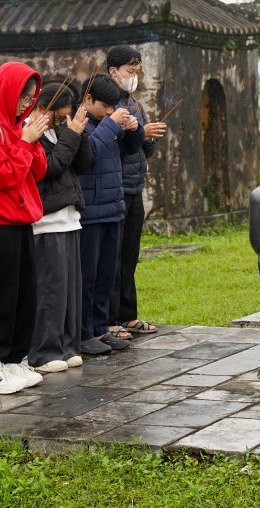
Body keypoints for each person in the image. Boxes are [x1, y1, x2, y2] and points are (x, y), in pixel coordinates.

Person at [0, 62, 50, 394]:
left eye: (30, 98)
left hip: (20, 220)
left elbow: (39, 170)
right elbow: (2, 174)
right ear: (6, 91)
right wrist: (24, 141)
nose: (25, 104)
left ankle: (15, 358)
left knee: (23, 295)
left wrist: (31, 138)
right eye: (21, 97)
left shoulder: (16, 126)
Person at [78, 74, 144, 355]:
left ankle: (100, 327)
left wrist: (134, 129)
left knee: (107, 274)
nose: (109, 111)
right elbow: (88, 153)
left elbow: (130, 150)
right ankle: (83, 332)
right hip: (90, 211)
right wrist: (111, 123)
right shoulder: (78, 122)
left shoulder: (107, 122)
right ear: (88, 99)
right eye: (105, 106)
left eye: (112, 106)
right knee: (88, 277)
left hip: (112, 206)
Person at [29, 83, 91, 372]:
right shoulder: (31, 132)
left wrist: (80, 133)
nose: (62, 120)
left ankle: (67, 345)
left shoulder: (60, 130)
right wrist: (71, 136)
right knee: (50, 289)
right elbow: (50, 168)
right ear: (44, 107)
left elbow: (83, 163)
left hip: (69, 217)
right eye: (59, 115)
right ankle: (44, 350)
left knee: (69, 289)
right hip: (45, 220)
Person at [106, 46, 166, 336]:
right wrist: (141, 132)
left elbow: (142, 150)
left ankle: (128, 314)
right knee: (112, 257)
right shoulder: (107, 105)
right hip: (114, 188)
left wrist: (148, 136)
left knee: (129, 255)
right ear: (113, 72)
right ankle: (110, 318)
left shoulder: (136, 105)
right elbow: (109, 144)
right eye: (130, 70)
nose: (134, 76)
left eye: (137, 71)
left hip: (134, 186)